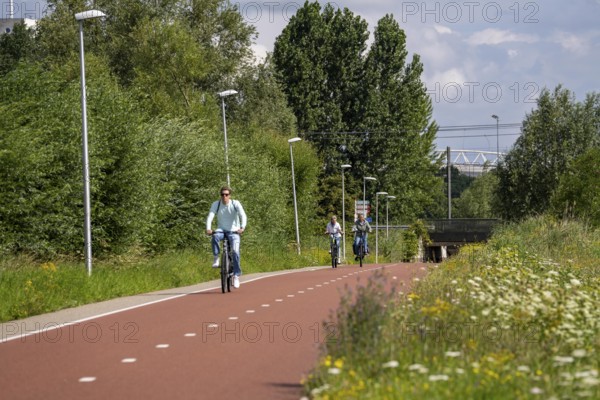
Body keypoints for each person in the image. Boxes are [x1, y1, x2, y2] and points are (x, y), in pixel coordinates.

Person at [206, 186, 247, 289]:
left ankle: (236, 275)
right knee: (215, 236)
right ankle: (216, 258)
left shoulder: (235, 203)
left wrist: (242, 227)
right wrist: (208, 228)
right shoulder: (217, 204)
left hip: (234, 232)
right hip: (221, 230)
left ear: (230, 195)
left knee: (235, 252)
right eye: (222, 194)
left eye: (226, 194)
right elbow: (210, 216)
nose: (224, 196)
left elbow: (243, 215)